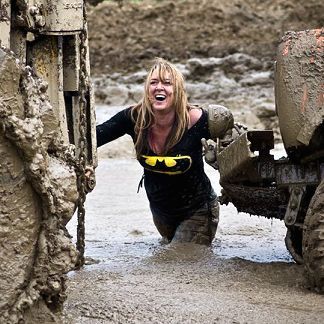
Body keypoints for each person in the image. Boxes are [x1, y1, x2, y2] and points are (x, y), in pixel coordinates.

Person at [96, 57, 233, 245]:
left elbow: (236, 146)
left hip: (198, 210)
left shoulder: (198, 120)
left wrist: (220, 159)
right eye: (153, 82)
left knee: (179, 260)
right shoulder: (134, 118)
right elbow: (93, 138)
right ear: (147, 90)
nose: (159, 87)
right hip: (161, 214)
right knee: (170, 260)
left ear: (177, 91)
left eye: (167, 83)